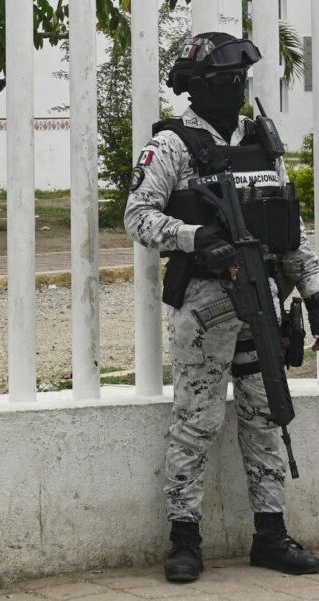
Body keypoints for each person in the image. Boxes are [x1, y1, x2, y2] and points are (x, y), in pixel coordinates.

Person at [125, 32, 319, 584]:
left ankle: (271, 534)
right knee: (197, 422)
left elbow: (291, 232)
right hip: (205, 307)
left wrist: (314, 292)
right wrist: (194, 237)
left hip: (262, 301)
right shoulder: (172, 146)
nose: (235, 90)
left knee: (265, 416)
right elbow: (137, 216)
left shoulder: (263, 143)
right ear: (197, 87)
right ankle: (184, 539)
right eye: (224, 81)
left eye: (240, 80)